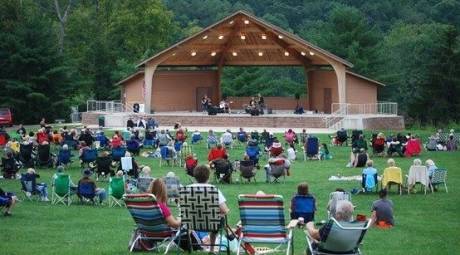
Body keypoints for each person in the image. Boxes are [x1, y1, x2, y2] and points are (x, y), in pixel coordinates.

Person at [187, 165, 229, 253]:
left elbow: (182, 206)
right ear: (208, 176)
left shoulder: (187, 189)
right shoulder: (213, 189)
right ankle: (212, 249)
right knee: (218, 219)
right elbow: (224, 210)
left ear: (194, 176)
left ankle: (190, 247)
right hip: (211, 223)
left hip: (191, 223)